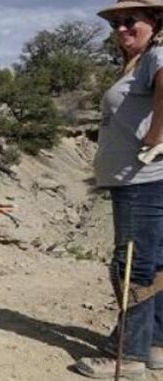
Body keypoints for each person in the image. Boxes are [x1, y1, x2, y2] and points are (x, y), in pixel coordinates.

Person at [76, 1, 163, 378]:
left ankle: (128, 356)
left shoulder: (157, 53)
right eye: (116, 23)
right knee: (153, 263)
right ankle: (155, 344)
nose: (122, 28)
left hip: (139, 180)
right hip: (138, 180)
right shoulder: (140, 59)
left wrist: (156, 134)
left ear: (155, 21)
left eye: (131, 21)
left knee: (131, 266)